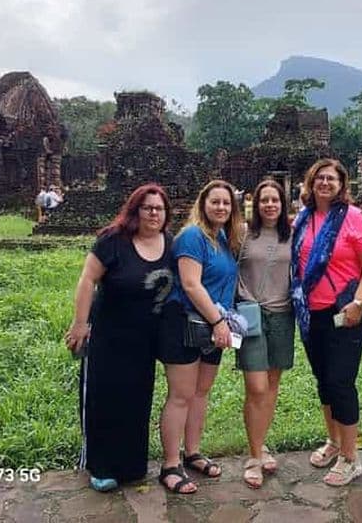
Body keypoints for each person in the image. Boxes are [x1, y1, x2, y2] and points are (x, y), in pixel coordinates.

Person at [64, 183, 174, 492]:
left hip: (145, 338)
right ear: (135, 210)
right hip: (109, 336)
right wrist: (79, 324)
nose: (153, 213)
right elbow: (87, 280)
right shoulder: (113, 241)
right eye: (147, 207)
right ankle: (100, 465)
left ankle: (131, 465)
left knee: (137, 400)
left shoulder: (170, 243)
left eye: (159, 208)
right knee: (105, 398)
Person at [290, 158, 362, 487]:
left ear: (342, 185)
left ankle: (351, 457)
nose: (325, 183)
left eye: (332, 179)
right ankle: (334, 441)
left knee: (341, 381)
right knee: (324, 379)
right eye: (320, 178)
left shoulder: (353, 218)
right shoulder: (303, 218)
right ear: (311, 183)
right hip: (312, 312)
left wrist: (360, 302)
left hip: (347, 311)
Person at [157, 180, 244, 494]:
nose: (221, 207)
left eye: (226, 203)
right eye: (215, 202)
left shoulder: (221, 237)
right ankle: (169, 464)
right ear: (203, 204)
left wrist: (223, 323)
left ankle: (191, 452)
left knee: (201, 392)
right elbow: (191, 285)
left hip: (213, 325)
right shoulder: (193, 236)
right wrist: (220, 321)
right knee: (180, 395)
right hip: (184, 322)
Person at [236, 179, 294, 489]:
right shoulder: (244, 234)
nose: (269, 205)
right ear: (255, 205)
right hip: (250, 316)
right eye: (264, 200)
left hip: (283, 315)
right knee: (256, 386)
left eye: (275, 200)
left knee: (271, 385)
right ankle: (254, 457)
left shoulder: (293, 234)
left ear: (283, 204)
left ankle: (259, 445)